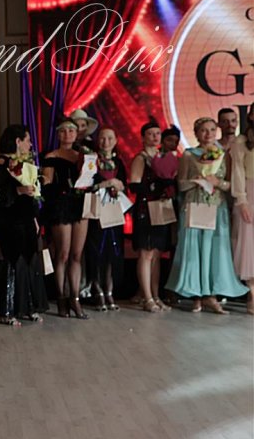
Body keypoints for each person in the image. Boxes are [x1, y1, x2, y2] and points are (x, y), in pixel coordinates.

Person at [166, 117, 248, 312]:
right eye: (203, 130)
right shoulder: (189, 155)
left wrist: (218, 183)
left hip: (216, 207)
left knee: (215, 249)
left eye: (212, 129)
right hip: (194, 205)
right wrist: (195, 181)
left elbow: (231, 185)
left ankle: (211, 295)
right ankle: (196, 294)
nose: (208, 134)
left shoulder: (224, 155)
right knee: (195, 249)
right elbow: (181, 185)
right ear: (196, 133)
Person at [0, 125, 49, 325]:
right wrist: (19, 191)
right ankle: (6, 310)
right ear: (17, 141)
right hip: (6, 218)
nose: (30, 144)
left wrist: (35, 217)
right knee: (13, 259)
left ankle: (27, 307)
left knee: (29, 257)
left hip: (25, 217)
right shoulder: (1, 163)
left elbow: (31, 195)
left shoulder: (25, 163)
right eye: (27, 140)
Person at [41, 118, 89, 318]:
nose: (68, 134)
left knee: (77, 255)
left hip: (80, 205)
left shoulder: (83, 156)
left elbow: (91, 179)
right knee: (63, 253)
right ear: (58, 134)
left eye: (71, 130)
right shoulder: (51, 156)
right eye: (64, 130)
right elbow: (47, 183)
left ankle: (75, 298)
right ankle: (61, 296)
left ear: (76, 134)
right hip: (60, 205)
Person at [129, 122, 175, 312]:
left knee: (156, 254)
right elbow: (134, 185)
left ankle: (155, 295)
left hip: (161, 207)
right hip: (145, 209)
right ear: (143, 137)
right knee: (146, 253)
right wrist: (157, 185)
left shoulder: (162, 156)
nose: (155, 137)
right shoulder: (141, 158)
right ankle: (146, 297)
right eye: (150, 133)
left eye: (158, 133)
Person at [86, 127, 127, 311]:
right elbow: (87, 185)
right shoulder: (92, 160)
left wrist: (119, 187)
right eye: (102, 138)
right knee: (96, 252)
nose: (106, 142)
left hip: (113, 211)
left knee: (112, 252)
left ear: (116, 141)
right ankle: (97, 290)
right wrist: (105, 184)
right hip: (97, 211)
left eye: (110, 138)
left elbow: (125, 185)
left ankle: (109, 290)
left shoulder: (119, 162)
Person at [229, 103, 254, 314]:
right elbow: (237, 171)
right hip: (249, 193)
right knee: (249, 244)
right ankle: (252, 294)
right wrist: (242, 199)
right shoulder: (241, 142)